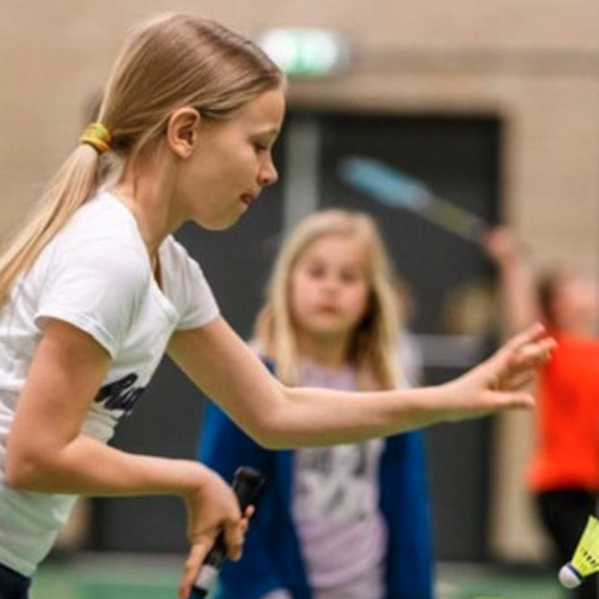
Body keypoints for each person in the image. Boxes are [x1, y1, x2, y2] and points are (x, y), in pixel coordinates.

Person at [0, 12, 554, 599]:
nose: (269, 172)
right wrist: (192, 480)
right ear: (185, 132)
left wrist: (450, 399)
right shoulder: (109, 255)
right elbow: (34, 457)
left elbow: (277, 411)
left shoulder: (171, 271)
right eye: (258, 145)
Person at [200, 209, 435, 599]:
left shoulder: (390, 389)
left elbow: (409, 511)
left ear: (372, 295)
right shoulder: (251, 376)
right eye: (316, 272)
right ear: (288, 281)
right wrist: (262, 589)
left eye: (348, 277)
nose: (330, 287)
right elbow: (224, 495)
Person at [484, 227, 599, 599]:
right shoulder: (554, 347)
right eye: (575, 286)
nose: (587, 288)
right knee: (589, 584)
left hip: (591, 488)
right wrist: (511, 263)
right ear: (557, 305)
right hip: (561, 489)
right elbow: (524, 321)